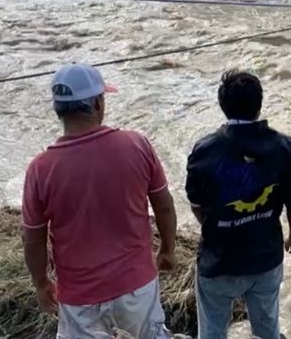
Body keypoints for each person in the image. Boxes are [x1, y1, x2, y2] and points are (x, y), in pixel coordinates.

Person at [22, 64, 177, 339]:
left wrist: (41, 282)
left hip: (79, 297)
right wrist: (167, 249)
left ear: (58, 109)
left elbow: (33, 239)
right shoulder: (137, 145)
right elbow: (163, 204)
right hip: (136, 285)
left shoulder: (40, 169)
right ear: (97, 103)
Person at [187, 71, 291, 339]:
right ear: (259, 105)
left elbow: (196, 203)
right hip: (266, 259)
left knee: (212, 332)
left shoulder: (205, 150)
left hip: (219, 262)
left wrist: (219, 225)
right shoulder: (283, 146)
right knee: (267, 330)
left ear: (223, 106)